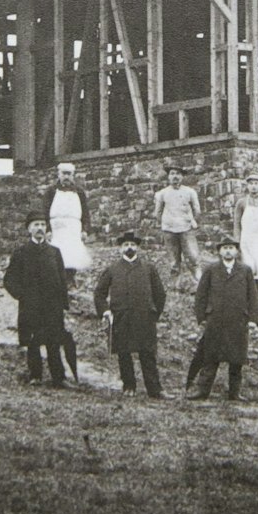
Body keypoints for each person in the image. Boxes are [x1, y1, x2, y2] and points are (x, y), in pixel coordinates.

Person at [94, 230, 167, 397]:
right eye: (126, 245)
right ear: (120, 248)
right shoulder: (112, 269)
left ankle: (154, 389)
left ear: (138, 248)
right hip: (121, 317)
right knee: (123, 354)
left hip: (144, 318)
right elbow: (99, 293)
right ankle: (129, 386)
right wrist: (105, 311)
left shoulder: (149, 269)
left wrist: (154, 313)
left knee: (147, 354)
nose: (129, 248)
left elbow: (160, 294)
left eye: (132, 245)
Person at [2, 211, 71, 387]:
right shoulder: (21, 252)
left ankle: (59, 378)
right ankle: (35, 376)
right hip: (31, 306)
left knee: (53, 342)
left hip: (52, 306)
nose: (40, 228)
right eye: (36, 225)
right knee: (33, 342)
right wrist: (23, 296)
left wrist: (63, 303)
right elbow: (9, 280)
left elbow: (62, 279)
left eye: (42, 225)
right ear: (29, 229)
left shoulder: (54, 252)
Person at [187, 237, 258, 402]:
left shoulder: (245, 270)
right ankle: (202, 391)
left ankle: (234, 393)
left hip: (238, 321)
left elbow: (252, 297)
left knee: (236, 360)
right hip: (216, 321)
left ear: (236, 251)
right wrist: (202, 317)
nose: (228, 251)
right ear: (219, 251)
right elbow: (201, 296)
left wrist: (253, 319)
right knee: (210, 358)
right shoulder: (211, 270)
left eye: (231, 248)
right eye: (225, 248)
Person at [150, 166, 203, 282]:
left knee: (193, 257)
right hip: (169, 230)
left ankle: (199, 282)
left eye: (178, 174)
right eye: (172, 174)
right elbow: (157, 212)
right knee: (174, 260)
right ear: (168, 177)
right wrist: (165, 223)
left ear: (182, 177)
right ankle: (175, 284)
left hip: (186, 229)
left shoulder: (190, 192)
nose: (175, 176)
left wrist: (192, 221)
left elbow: (197, 210)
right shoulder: (162, 193)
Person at [48, 162, 93, 282]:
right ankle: (57, 281)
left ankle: (70, 279)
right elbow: (44, 211)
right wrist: (47, 229)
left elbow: (85, 213)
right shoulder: (51, 191)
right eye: (64, 174)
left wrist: (85, 230)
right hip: (56, 229)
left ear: (73, 175)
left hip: (73, 228)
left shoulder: (79, 192)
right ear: (59, 174)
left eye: (69, 174)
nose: (66, 177)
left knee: (72, 254)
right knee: (56, 254)